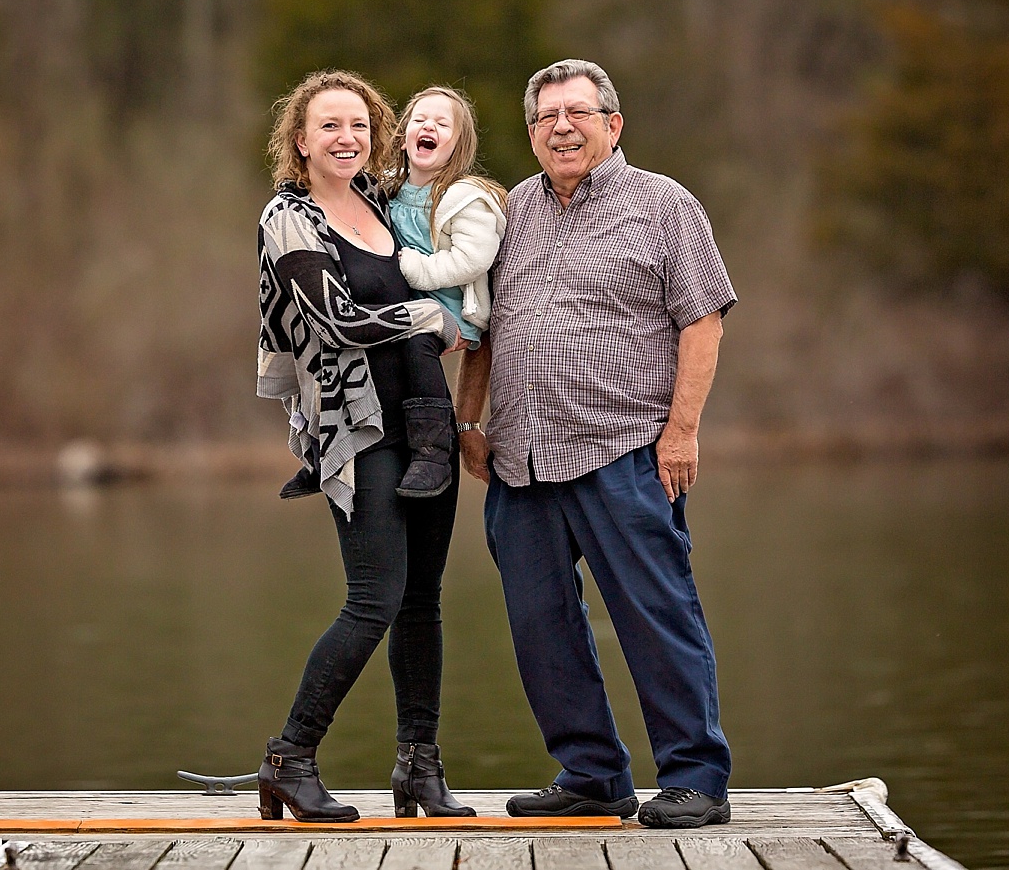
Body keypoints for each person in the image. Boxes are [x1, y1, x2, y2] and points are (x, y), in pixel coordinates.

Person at [456, 59, 737, 830]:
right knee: (540, 624)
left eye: (577, 111)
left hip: (626, 450)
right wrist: (470, 421)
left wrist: (682, 431)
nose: (561, 127)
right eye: (546, 117)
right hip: (522, 458)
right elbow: (481, 329)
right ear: (532, 133)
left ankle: (694, 775)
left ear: (613, 124)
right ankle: (592, 773)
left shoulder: (663, 204)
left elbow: (703, 319)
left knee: (656, 612)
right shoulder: (510, 210)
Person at [255, 70, 474, 824]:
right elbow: (334, 320)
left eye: (359, 124)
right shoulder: (288, 216)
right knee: (374, 597)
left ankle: (420, 767)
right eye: (329, 125)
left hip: (426, 424)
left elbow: (459, 220)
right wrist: (425, 318)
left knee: (423, 601)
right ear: (300, 140)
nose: (346, 137)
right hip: (357, 426)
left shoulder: (385, 203)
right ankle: (289, 755)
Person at [388, 85, 508, 346]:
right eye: (419, 120)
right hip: (400, 303)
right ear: (402, 137)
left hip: (450, 309)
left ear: (458, 146)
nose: (428, 126)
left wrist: (412, 267)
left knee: (415, 347)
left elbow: (470, 260)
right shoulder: (386, 189)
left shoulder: (465, 198)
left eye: (442, 124)